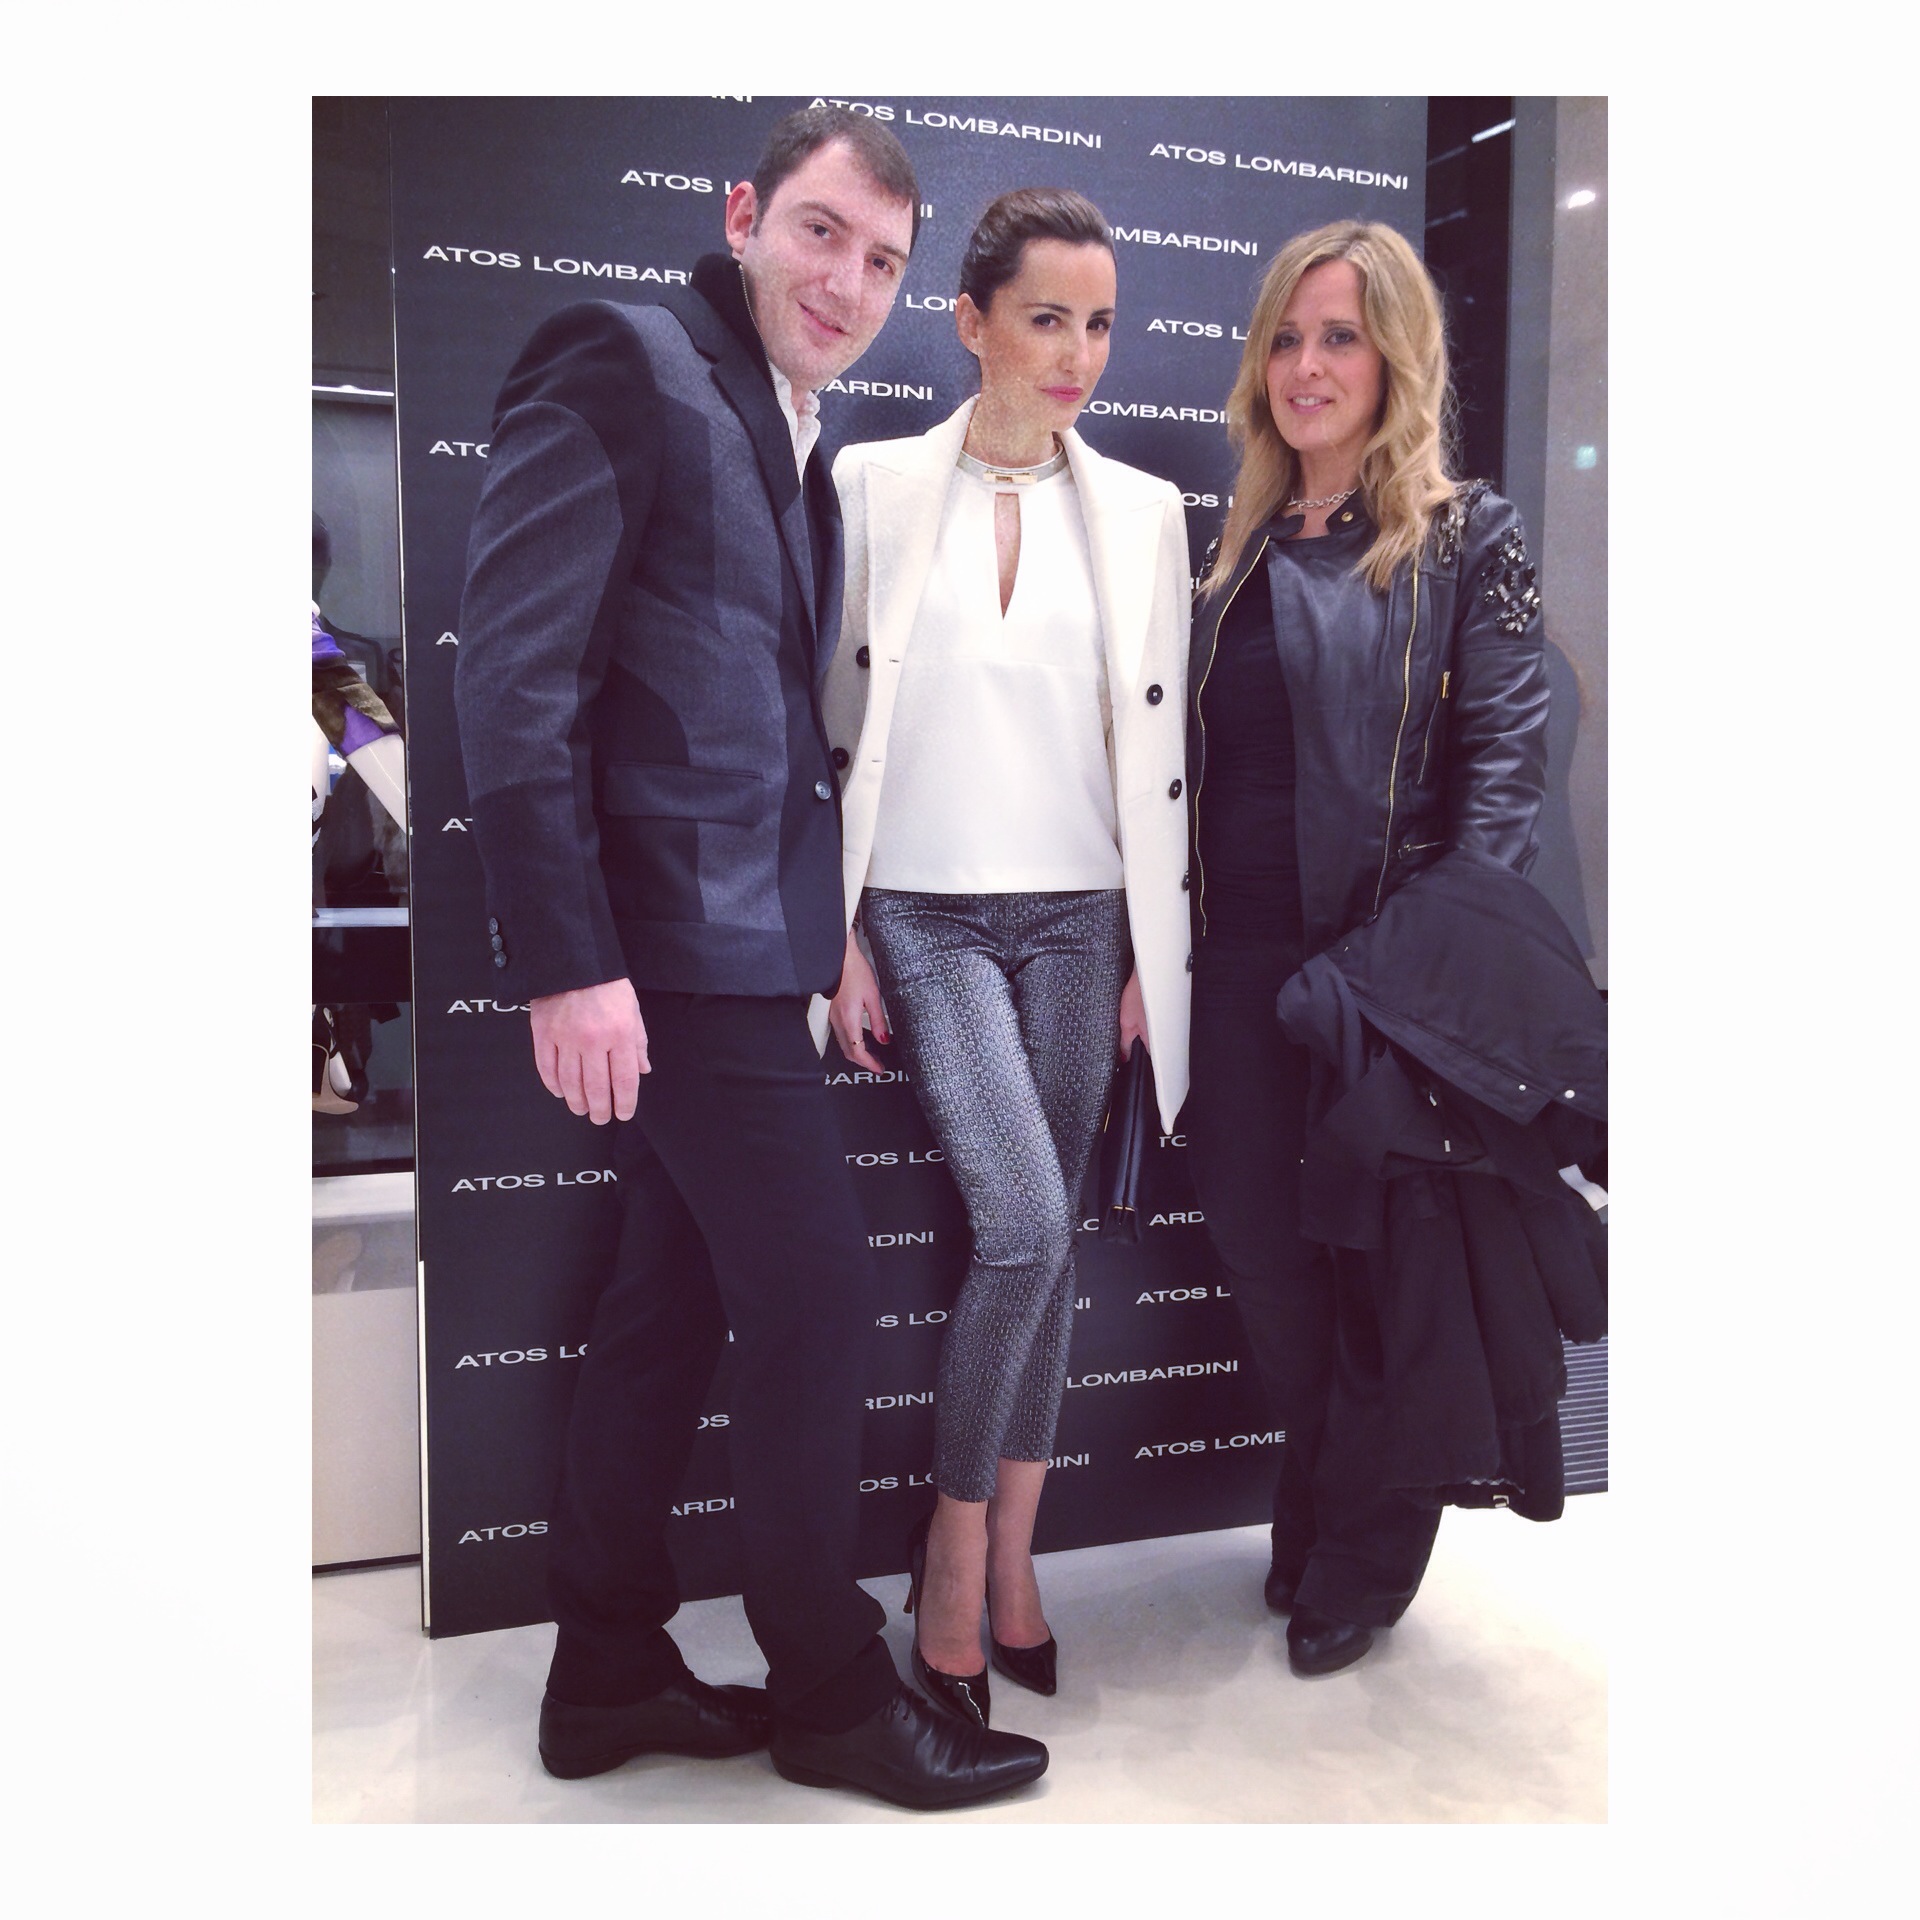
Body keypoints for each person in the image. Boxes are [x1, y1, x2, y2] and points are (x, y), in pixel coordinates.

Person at [453, 105, 1049, 1811]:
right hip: (664, 960)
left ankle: (604, 1669)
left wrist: (819, 937)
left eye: (880, 261)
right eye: (819, 234)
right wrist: (567, 962)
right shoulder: (624, 360)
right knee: (815, 1300)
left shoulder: (788, 424)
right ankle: (831, 1692)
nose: (847, 283)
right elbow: (515, 677)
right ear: (742, 218)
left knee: (668, 1307)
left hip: (738, 953)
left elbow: (756, 722)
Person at [821, 188, 1191, 1727]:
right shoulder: (869, 487)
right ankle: (955, 1550)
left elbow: (1164, 761)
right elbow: (818, 732)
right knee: (1027, 1229)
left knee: (1049, 1248)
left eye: (1098, 323)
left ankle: (1015, 1559)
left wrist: (1154, 950)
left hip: (1084, 914)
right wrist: (839, 935)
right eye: (1046, 319)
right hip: (924, 911)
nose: (1078, 354)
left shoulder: (1149, 513)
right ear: (970, 321)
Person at [1183, 219, 1551, 1677]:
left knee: (1383, 1281)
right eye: (1286, 337)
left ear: (1397, 356)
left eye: (1339, 336)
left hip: (1381, 978)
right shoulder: (1235, 548)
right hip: (1235, 969)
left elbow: (1504, 784)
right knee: (1267, 1262)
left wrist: (1406, 979)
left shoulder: (1467, 538)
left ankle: (1363, 1555)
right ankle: (1325, 1498)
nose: (1306, 367)